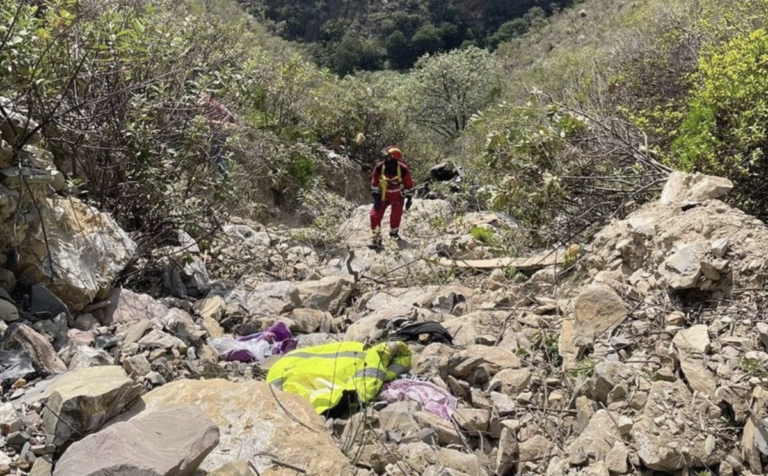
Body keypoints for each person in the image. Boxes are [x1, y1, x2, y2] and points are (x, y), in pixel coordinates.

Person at [370, 145, 414, 247]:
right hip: (383, 196)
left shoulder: (403, 169)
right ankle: (377, 238)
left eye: (388, 156)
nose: (385, 158)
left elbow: (409, 184)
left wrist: (409, 199)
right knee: (374, 216)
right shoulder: (379, 167)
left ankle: (394, 233)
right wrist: (376, 198)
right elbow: (375, 182)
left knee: (396, 216)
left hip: (398, 197)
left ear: (393, 158)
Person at [200, 92, 236, 177]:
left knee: (215, 154)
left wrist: (209, 122)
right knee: (217, 153)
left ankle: (225, 177)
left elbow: (206, 120)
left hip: (221, 130)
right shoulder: (215, 103)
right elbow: (231, 117)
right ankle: (226, 175)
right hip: (226, 128)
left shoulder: (206, 104)